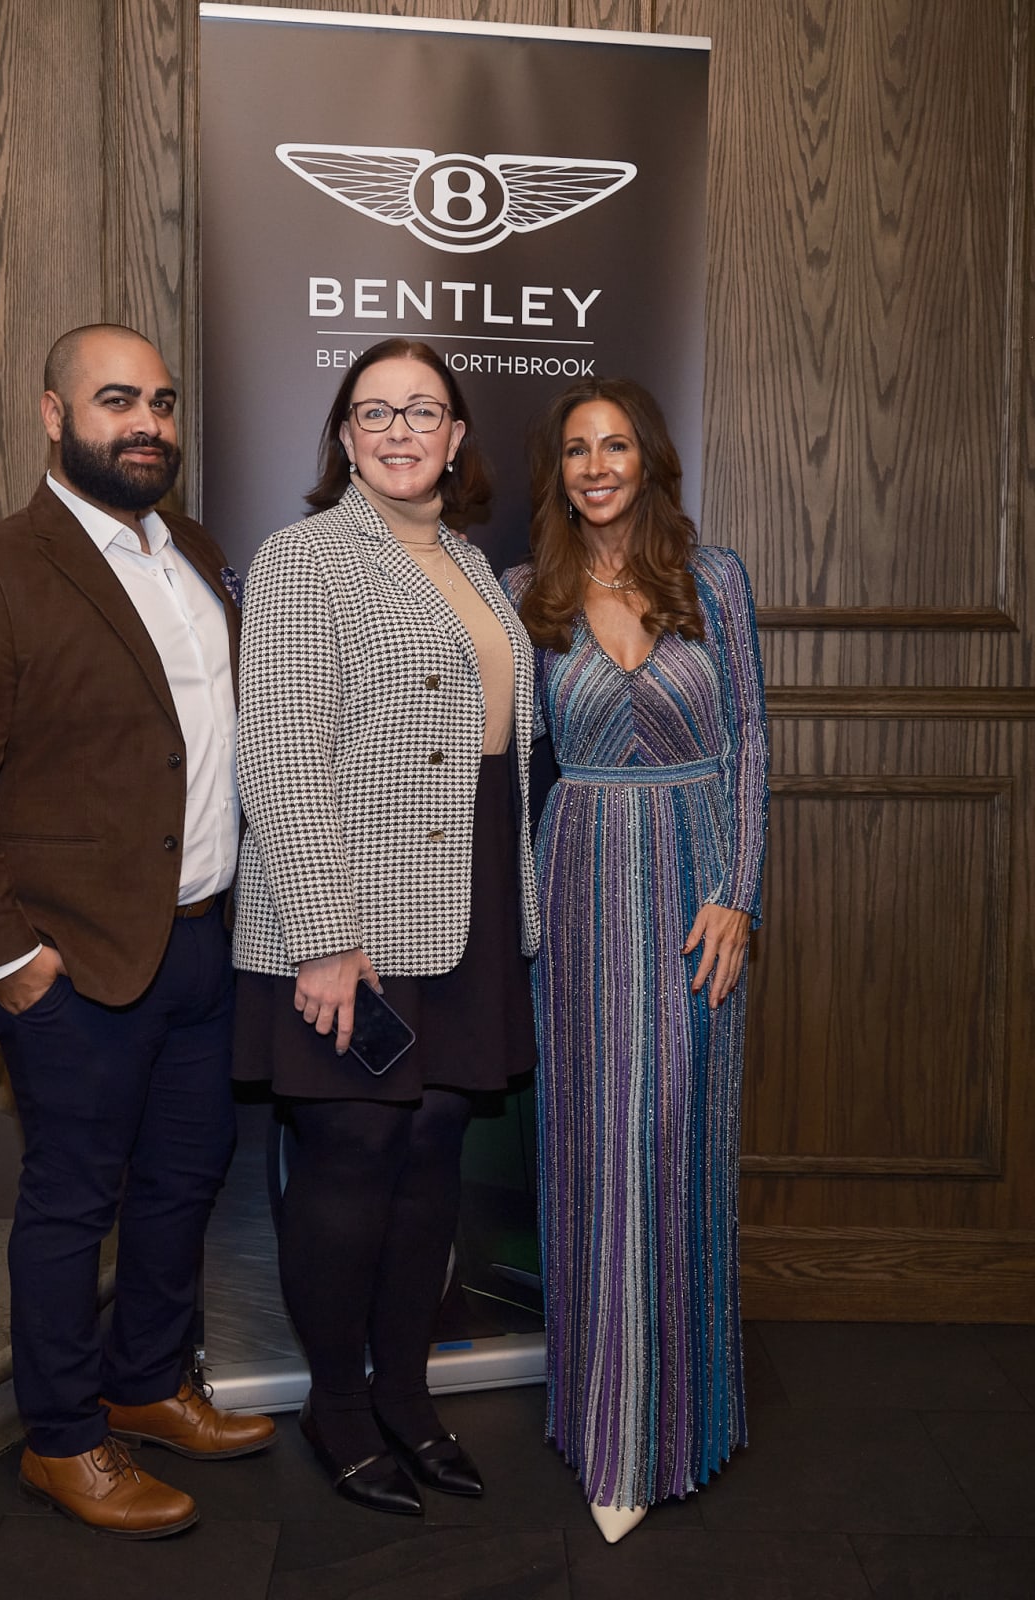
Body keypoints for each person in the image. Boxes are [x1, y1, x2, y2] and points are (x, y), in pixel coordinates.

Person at [0, 324, 274, 1540]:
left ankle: (148, 1382)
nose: (146, 421)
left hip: (204, 942)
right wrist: (12, 961)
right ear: (55, 416)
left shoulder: (203, 555)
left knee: (182, 1178)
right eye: (117, 400)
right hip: (74, 962)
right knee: (72, 1201)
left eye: (160, 400)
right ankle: (63, 1438)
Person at [232, 338, 539, 1516]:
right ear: (345, 437)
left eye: (424, 411)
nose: (400, 430)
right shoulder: (305, 559)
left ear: (457, 439)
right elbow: (281, 754)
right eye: (374, 412)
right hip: (350, 910)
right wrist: (321, 932)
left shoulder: (470, 561)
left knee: (429, 1160)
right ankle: (338, 1406)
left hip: (466, 905)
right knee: (353, 1159)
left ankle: (407, 1397)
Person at [503, 377, 769, 1544]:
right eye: (576, 449)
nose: (597, 465)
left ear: (649, 459)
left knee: (672, 1138)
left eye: (615, 445)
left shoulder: (715, 580)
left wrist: (740, 894)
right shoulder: (528, 593)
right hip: (579, 883)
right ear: (556, 472)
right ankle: (608, 1429)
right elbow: (498, 766)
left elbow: (750, 734)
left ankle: (681, 1416)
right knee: (592, 1144)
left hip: (694, 883)